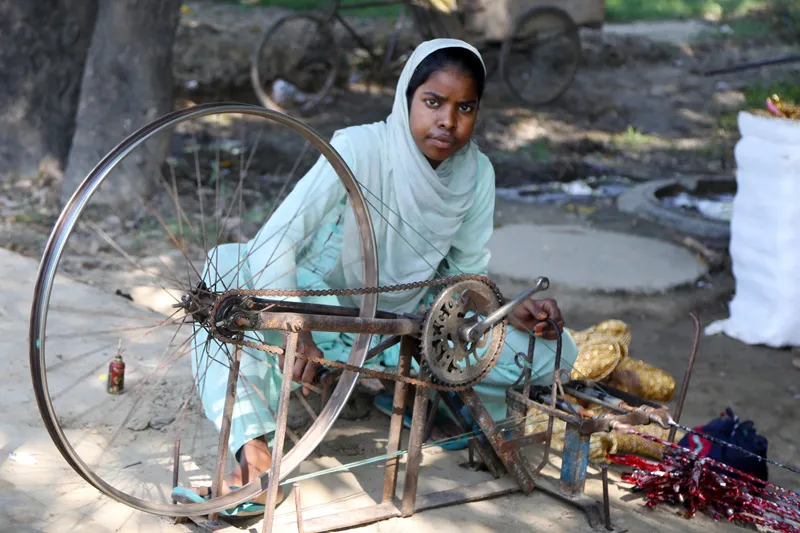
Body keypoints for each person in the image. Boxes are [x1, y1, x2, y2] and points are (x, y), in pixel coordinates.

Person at [172, 38, 579, 515]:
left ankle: (397, 387)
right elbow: (277, 238)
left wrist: (503, 311)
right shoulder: (358, 148)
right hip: (315, 306)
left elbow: (463, 278)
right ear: (407, 97)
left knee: (558, 352)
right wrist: (295, 330)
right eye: (433, 102)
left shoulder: (477, 175)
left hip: (404, 326)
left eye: (464, 107)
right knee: (223, 274)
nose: (448, 120)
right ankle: (255, 454)